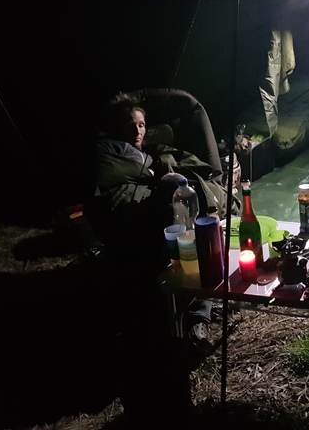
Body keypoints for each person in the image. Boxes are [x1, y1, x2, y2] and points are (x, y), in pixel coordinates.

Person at [85, 94, 211, 429]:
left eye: (142, 125)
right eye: (131, 126)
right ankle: (187, 322)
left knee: (195, 250)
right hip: (126, 220)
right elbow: (113, 178)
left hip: (148, 219)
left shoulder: (147, 152)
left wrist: (164, 171)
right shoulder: (107, 151)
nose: (138, 131)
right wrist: (158, 176)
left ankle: (196, 316)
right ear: (116, 128)